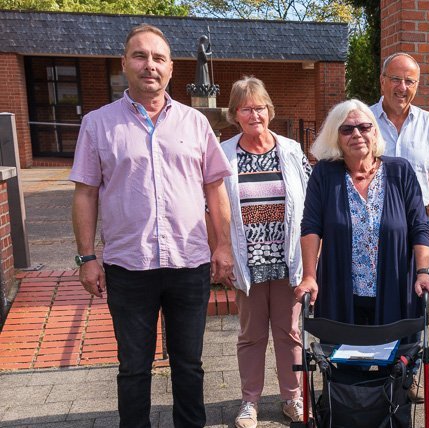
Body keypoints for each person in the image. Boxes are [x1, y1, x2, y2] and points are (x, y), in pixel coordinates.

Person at [70, 24, 233, 428]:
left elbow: (215, 189)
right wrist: (87, 257)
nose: (150, 66)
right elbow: (85, 194)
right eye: (140, 56)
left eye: (158, 58)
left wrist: (224, 246)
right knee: (133, 368)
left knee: (189, 366)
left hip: (188, 264)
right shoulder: (98, 124)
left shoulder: (195, 123)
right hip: (129, 267)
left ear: (171, 68)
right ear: (125, 63)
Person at [295, 99, 429, 325]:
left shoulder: (400, 171)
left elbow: (419, 225)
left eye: (364, 127)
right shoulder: (324, 174)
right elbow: (311, 227)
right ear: (336, 138)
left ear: (374, 132)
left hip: (396, 289)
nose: (357, 134)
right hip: (341, 293)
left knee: (396, 358)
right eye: (347, 129)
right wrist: (309, 277)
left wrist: (423, 271)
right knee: (344, 358)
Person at [220, 77, 312, 428]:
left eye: (260, 107)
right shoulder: (224, 153)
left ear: (269, 110)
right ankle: (250, 402)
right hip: (248, 258)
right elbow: (211, 205)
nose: (254, 114)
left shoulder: (290, 149)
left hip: (286, 257)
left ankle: (292, 397)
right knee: (251, 334)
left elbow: (311, 200)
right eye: (247, 108)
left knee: (289, 332)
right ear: (235, 114)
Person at [370, 52, 429, 254]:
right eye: (396, 80)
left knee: (418, 281)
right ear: (382, 81)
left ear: (416, 86)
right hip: (370, 221)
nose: (402, 87)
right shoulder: (363, 120)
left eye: (409, 81)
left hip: (416, 222)